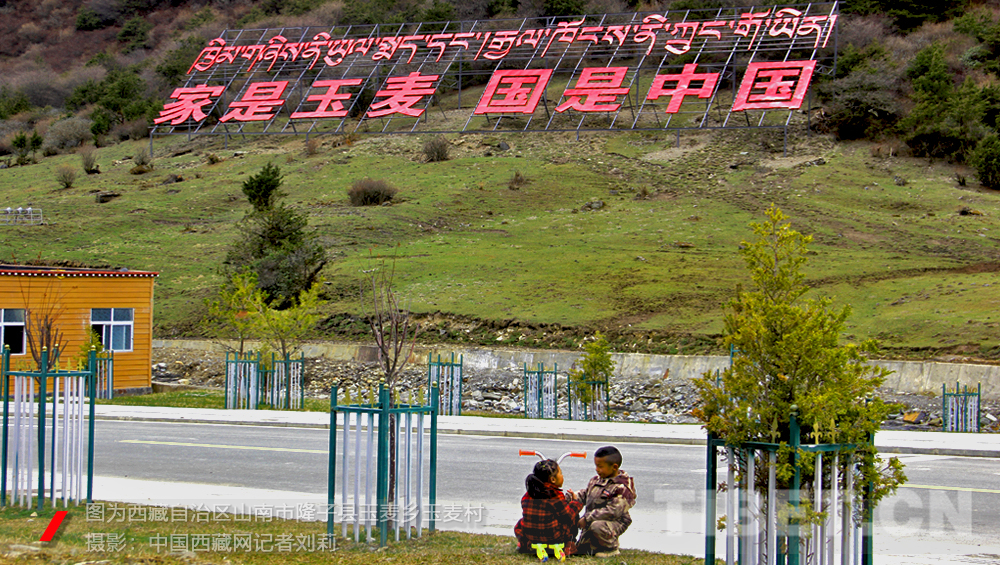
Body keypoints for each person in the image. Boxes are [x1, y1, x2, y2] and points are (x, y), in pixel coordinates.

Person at [573, 446, 636, 557]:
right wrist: (573, 497)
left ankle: (610, 549)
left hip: (612, 523)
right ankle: (594, 545)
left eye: (600, 466)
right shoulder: (596, 480)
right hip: (592, 520)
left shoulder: (622, 487)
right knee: (582, 549)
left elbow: (613, 511)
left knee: (597, 526)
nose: (597, 469)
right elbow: (586, 494)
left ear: (614, 467)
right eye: (596, 466)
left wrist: (587, 518)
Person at [514, 459, 584, 557]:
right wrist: (575, 502)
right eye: (561, 473)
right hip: (553, 537)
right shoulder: (555, 495)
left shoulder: (528, 494)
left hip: (531, 535)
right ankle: (569, 544)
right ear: (553, 479)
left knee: (522, 522)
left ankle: (524, 543)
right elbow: (568, 516)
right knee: (573, 516)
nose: (562, 476)